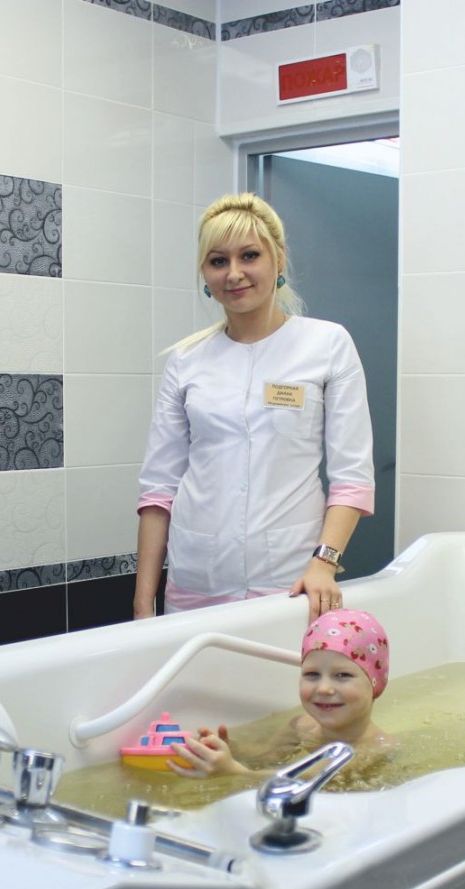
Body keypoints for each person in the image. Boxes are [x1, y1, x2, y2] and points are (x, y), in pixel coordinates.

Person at [133, 193, 374, 622]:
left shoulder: (327, 345)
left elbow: (352, 479)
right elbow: (158, 490)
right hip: (196, 581)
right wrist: (142, 604)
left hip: (292, 583)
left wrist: (324, 563)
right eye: (218, 261)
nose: (234, 273)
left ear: (279, 260)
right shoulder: (186, 361)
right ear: (205, 274)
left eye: (249, 256)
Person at [168, 608, 395, 779]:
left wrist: (234, 772)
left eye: (342, 675)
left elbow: (306, 780)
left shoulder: (376, 749)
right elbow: (266, 758)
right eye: (312, 674)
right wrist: (231, 749)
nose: (323, 688)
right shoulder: (302, 727)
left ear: (375, 684)